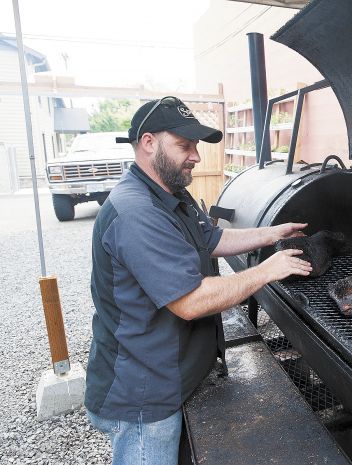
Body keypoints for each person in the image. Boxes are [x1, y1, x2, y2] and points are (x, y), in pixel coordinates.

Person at [84, 96, 312, 465]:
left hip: (169, 376)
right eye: (184, 145)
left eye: (196, 146)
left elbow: (212, 240)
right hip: (145, 395)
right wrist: (268, 270)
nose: (196, 156)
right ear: (148, 142)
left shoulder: (170, 194)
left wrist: (273, 234)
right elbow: (190, 301)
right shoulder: (136, 213)